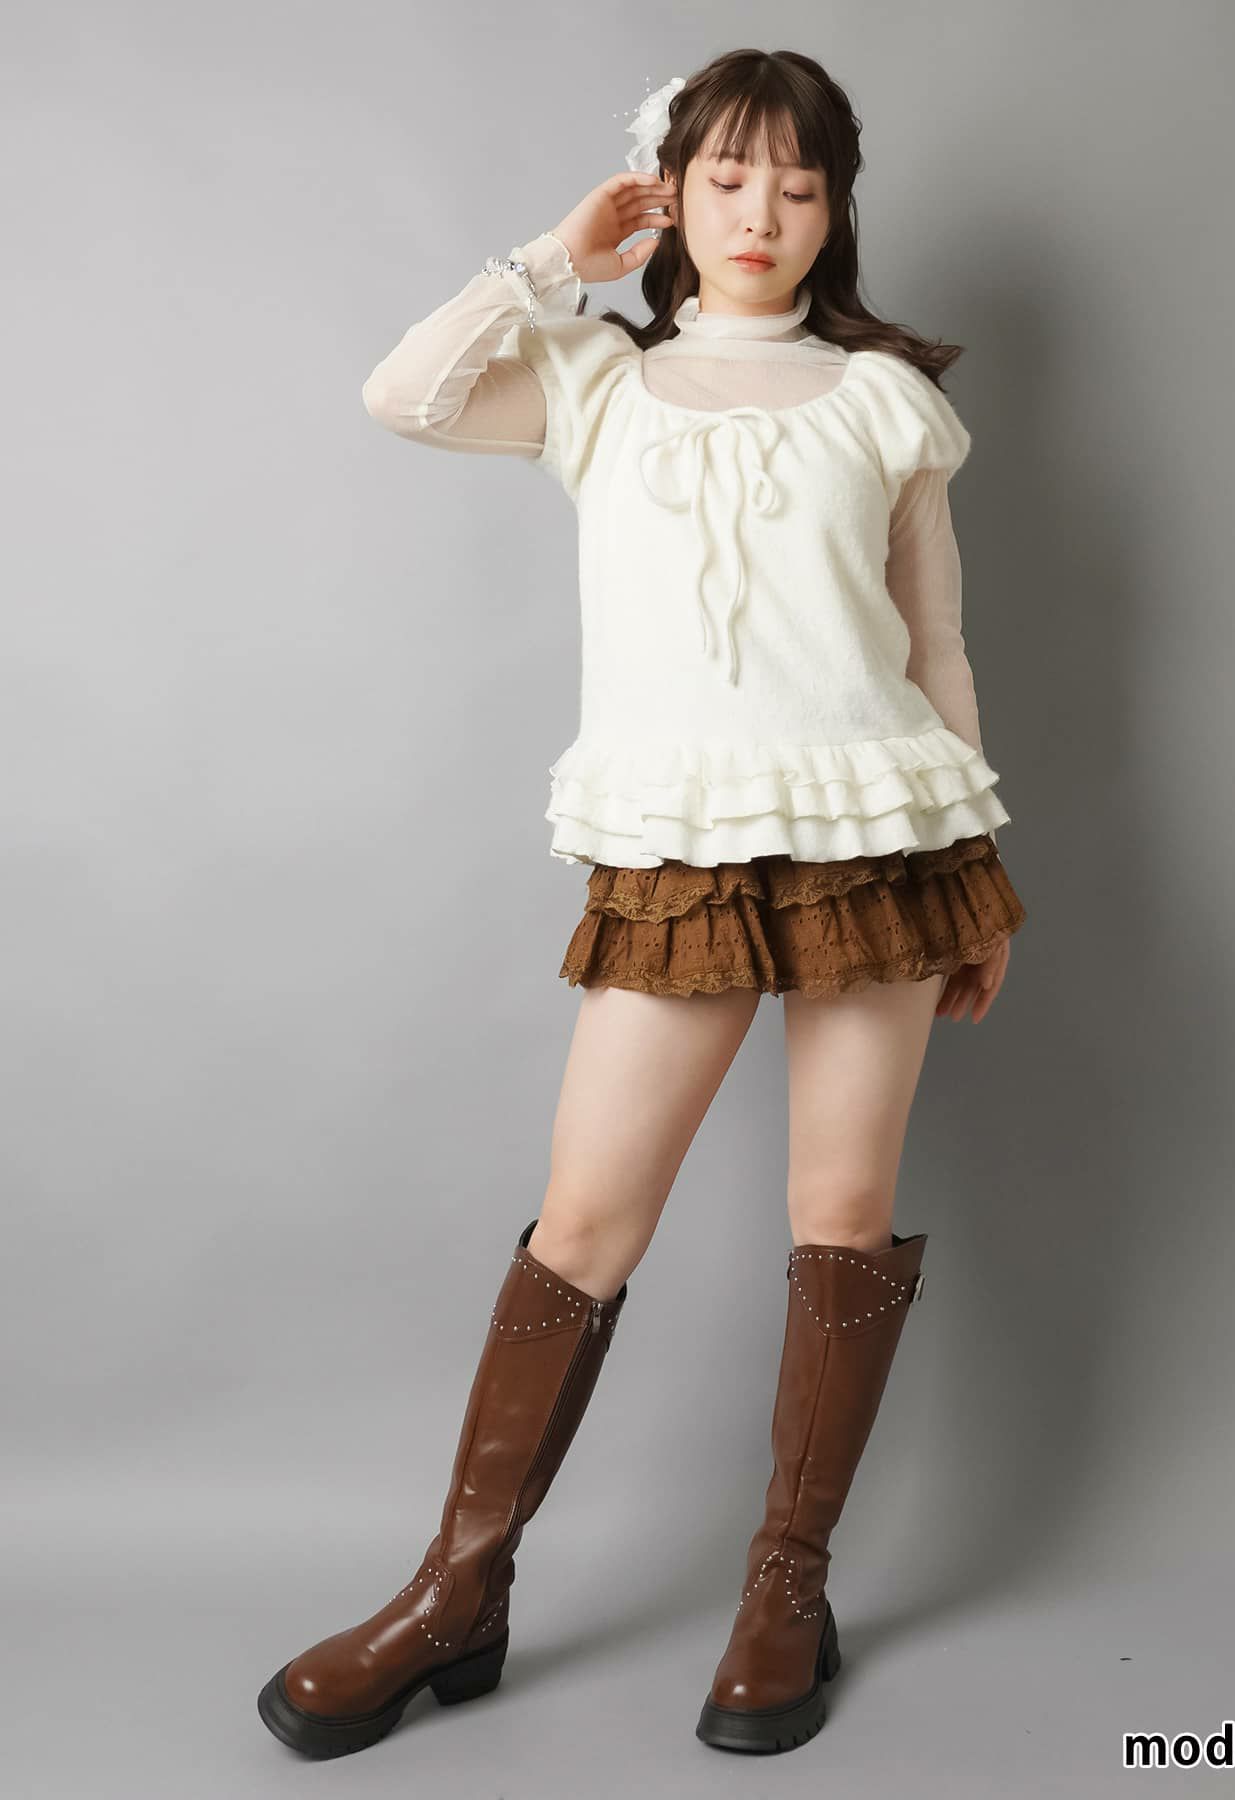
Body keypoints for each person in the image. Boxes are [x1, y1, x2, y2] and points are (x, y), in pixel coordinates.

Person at [257, 47, 1028, 1762]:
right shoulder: (595, 380)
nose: (765, 216)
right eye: (729, 179)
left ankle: (787, 1590)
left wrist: (983, 879)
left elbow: (938, 648)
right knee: (586, 1219)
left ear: (837, 210)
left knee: (841, 1211)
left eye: (802, 186)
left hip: (884, 839)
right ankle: (457, 1593)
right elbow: (402, 395)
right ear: (669, 194)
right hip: (678, 845)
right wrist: (555, 256)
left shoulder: (885, 403)